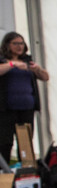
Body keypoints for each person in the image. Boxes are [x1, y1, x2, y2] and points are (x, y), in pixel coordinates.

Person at [0, 32, 50, 164]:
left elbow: (45, 77)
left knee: (25, 141)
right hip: (7, 109)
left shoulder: (28, 60)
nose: (19, 46)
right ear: (7, 45)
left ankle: (26, 169)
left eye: (21, 43)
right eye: (15, 43)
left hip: (27, 107)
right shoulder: (3, 60)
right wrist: (13, 64)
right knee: (5, 142)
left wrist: (37, 69)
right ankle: (4, 171)